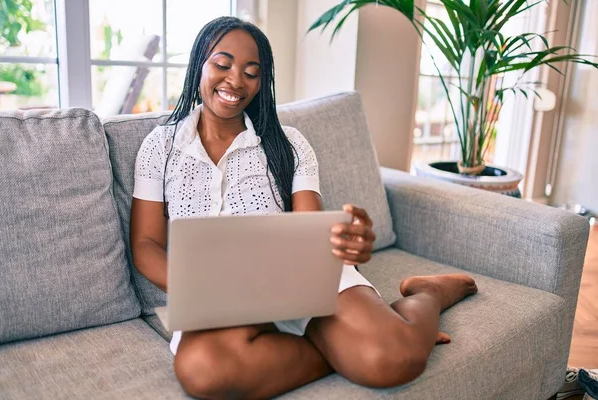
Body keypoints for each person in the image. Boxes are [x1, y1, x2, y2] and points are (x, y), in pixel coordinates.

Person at [130, 16, 478, 400]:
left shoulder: (289, 143)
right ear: (199, 64)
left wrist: (345, 242)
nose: (235, 80)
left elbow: (313, 229)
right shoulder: (159, 147)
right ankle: (354, 346)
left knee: (395, 360)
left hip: (301, 280)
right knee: (202, 370)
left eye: (251, 71)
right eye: (222, 64)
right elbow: (146, 243)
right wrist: (196, 288)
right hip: (220, 295)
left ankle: (428, 293)